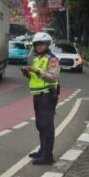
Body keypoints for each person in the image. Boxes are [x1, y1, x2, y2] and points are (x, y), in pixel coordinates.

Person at [22, 31, 60, 165]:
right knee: (40, 124)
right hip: (37, 95)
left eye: (42, 44)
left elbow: (53, 77)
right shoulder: (37, 59)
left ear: (47, 44)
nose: (39, 47)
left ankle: (47, 156)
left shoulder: (52, 59)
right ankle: (42, 150)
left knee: (46, 125)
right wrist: (28, 73)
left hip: (47, 94)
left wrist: (37, 71)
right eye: (37, 44)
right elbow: (36, 78)